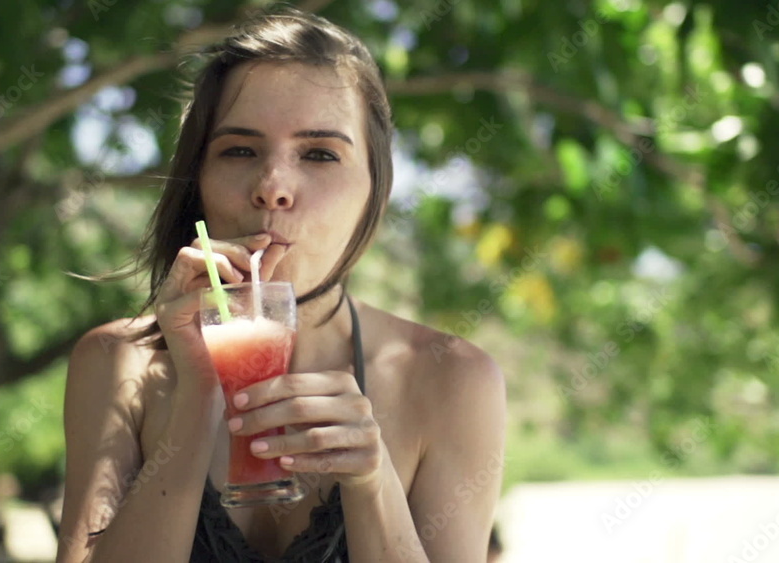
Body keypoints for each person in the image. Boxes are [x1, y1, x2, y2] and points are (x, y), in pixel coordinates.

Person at [56, 8, 505, 563]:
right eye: (240, 150)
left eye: (319, 154)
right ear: (198, 180)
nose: (272, 187)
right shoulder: (116, 363)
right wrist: (198, 397)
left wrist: (373, 483)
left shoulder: (451, 380)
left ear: (377, 190)